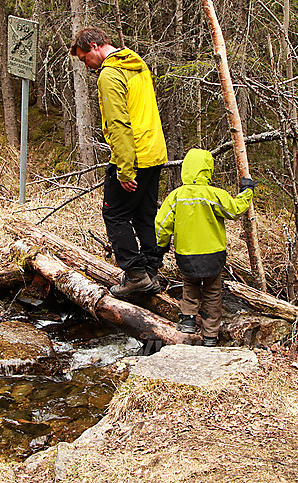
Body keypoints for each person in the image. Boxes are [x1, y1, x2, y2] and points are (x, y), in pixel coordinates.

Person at [70, 26, 168, 298]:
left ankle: (136, 275)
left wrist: (125, 170)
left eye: (83, 58)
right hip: (154, 152)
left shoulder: (110, 74)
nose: (85, 64)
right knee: (144, 214)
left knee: (114, 214)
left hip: (133, 155)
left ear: (93, 47)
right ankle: (151, 271)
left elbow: (119, 123)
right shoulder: (136, 64)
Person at [154, 148, 255, 346]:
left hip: (186, 255)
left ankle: (188, 322)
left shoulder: (176, 196)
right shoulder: (215, 195)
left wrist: (159, 247)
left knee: (189, 286)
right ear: (208, 170)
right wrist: (247, 191)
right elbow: (235, 210)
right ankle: (210, 336)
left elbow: (161, 224)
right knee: (212, 293)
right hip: (213, 255)